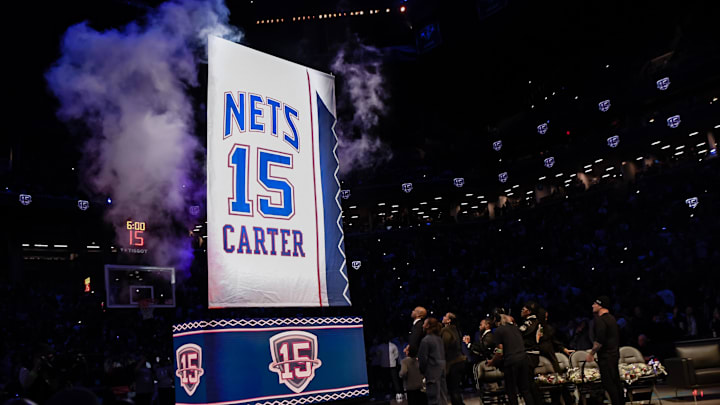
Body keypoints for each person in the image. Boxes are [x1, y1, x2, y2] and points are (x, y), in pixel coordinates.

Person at [487, 314, 535, 405]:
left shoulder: (498, 331)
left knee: (511, 391)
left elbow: (500, 352)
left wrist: (492, 362)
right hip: (524, 359)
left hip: (511, 362)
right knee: (525, 390)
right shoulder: (515, 328)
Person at [587, 296, 623, 405]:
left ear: (600, 305)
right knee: (616, 382)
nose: (593, 306)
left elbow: (599, 341)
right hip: (614, 354)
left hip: (606, 357)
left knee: (609, 384)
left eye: (595, 304)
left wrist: (591, 353)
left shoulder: (600, 320)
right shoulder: (612, 318)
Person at [417, 317, 448, 405]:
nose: (423, 325)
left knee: (434, 400)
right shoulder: (439, 339)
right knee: (442, 398)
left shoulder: (426, 340)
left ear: (428, 326)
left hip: (432, 373)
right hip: (441, 371)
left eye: (424, 323)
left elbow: (423, 359)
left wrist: (423, 371)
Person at [518, 302, 544, 405]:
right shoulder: (538, 322)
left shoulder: (529, 323)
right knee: (530, 383)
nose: (521, 311)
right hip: (534, 354)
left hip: (529, 354)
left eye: (523, 309)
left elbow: (519, 333)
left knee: (527, 384)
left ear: (528, 311)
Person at [441, 312, 466, 405]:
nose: (443, 317)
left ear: (449, 320)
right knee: (456, 388)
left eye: (445, 316)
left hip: (453, 362)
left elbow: (444, 345)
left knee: (453, 389)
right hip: (460, 361)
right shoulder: (456, 330)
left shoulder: (446, 331)